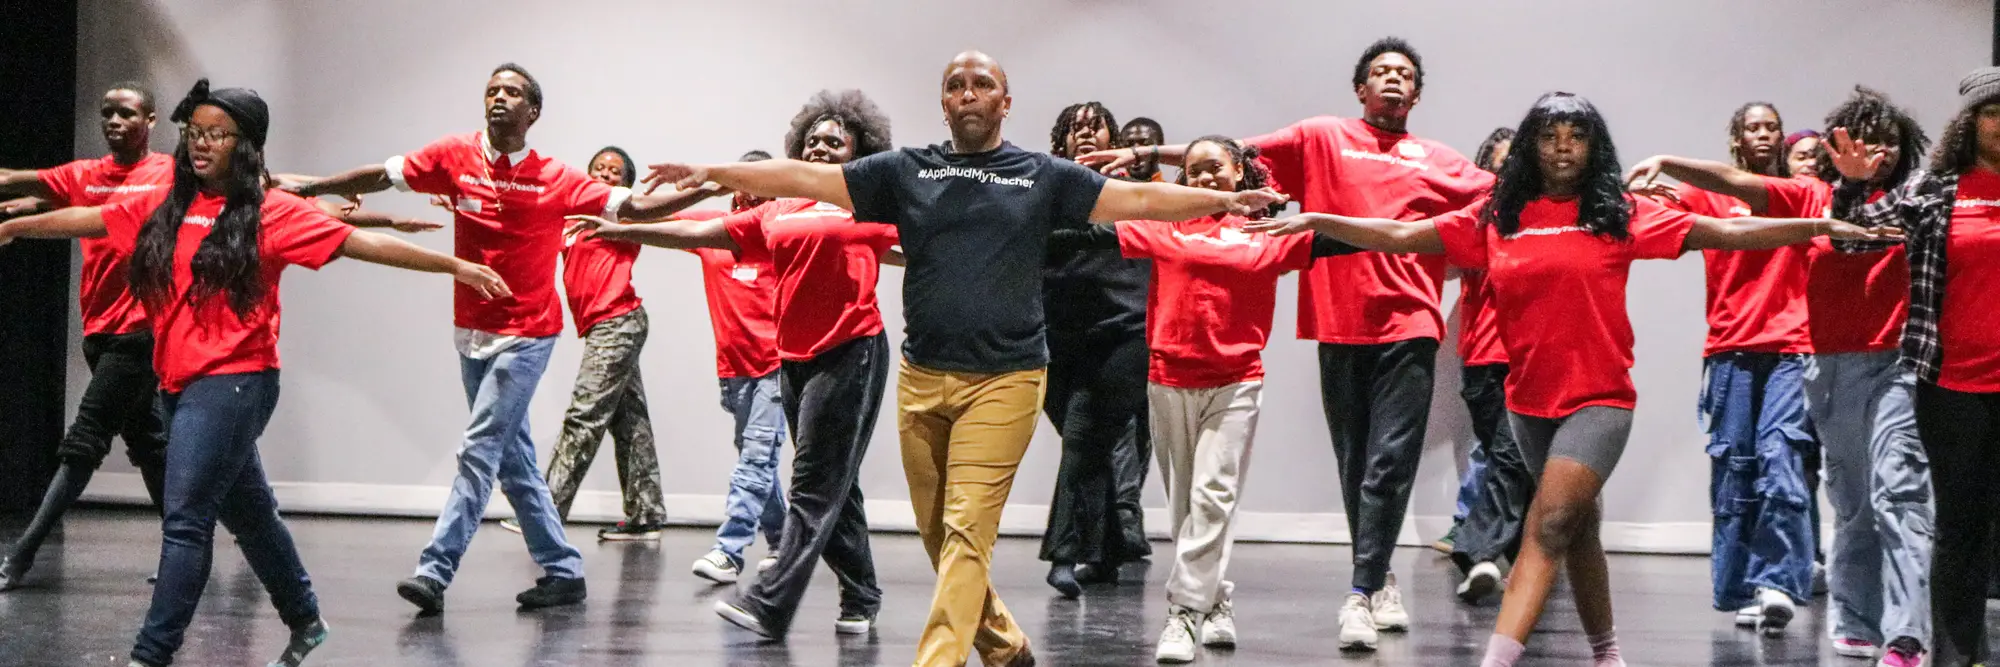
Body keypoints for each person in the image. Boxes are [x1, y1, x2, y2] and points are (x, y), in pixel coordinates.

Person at [641, 50, 1285, 667]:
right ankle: (1004, 646)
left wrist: (1222, 201)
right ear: (943, 104)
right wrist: (715, 171)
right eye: (956, 85)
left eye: (981, 84)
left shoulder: (1042, 174)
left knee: (966, 533)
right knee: (935, 535)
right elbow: (807, 179)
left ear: (1006, 101)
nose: (968, 93)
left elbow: (1138, 200)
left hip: (1006, 380)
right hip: (924, 380)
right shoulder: (905, 170)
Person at [1247, 91, 1896, 667]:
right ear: (1531, 146)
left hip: (1602, 399)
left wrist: (1816, 224)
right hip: (1528, 402)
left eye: (1576, 135)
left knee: (1549, 522)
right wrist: (1316, 219)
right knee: (1580, 527)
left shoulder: (1619, 214)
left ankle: (1499, 653)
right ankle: (1607, 651)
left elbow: (1724, 227)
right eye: (1550, 136)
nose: (1563, 147)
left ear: (1594, 146)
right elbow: (1398, 232)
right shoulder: (1495, 220)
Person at [0, 79, 512, 667]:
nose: (201, 144)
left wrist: (455, 266)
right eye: (195, 133)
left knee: (187, 518)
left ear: (245, 145)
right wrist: (14, 228)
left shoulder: (270, 212)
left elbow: (357, 241)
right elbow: (90, 219)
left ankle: (152, 653)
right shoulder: (164, 206)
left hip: (236, 382)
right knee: (251, 514)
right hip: (178, 382)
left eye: (217, 135)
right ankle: (306, 620)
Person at [1081, 36, 1493, 649]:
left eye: (1404, 74)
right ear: (1360, 88)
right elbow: (1228, 151)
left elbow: (1494, 205)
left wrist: (1449, 259)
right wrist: (1144, 153)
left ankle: (1352, 592)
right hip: (1334, 325)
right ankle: (1367, 580)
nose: (1391, 80)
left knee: (1383, 466)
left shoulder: (1439, 160)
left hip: (1408, 325)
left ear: (1418, 92)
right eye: (1379, 71)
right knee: (1353, 468)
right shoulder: (1324, 137)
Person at [279, 63, 716, 613]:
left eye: (512, 92)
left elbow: (635, 207)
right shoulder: (453, 157)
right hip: (470, 330)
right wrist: (314, 186)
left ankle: (434, 572)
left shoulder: (557, 178)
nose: (499, 98)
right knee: (514, 460)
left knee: (479, 448)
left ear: (533, 113)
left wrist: (706, 184)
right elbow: (383, 175)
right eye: (491, 90)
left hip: (528, 333)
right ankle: (563, 569)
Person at [1625, 85, 1935, 665]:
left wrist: (1866, 187)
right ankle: (1858, 620)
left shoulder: (1916, 197)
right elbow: (1737, 182)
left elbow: (1902, 224)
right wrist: (1669, 161)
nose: (1879, 153)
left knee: (1900, 493)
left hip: (1896, 364)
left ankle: (1908, 631)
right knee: (1853, 500)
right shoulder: (1812, 195)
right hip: (1827, 364)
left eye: (1890, 143)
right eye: (1867, 142)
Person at [574, 90, 898, 639]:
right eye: (812, 138)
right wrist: (624, 229)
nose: (820, 146)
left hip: (851, 350)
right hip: (793, 358)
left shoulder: (867, 204)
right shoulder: (779, 208)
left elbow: (921, 247)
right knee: (837, 485)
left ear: (857, 152)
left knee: (813, 486)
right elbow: (699, 232)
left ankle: (770, 604)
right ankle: (862, 593)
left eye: (834, 140)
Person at [1047, 135, 1355, 663]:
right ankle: (1215, 602)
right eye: (1195, 172)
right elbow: (1084, 236)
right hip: (1168, 379)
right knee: (1187, 506)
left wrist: (1308, 215)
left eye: (1216, 168)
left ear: (1239, 172)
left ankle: (1183, 612)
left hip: (1236, 381)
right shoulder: (1166, 226)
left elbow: (1345, 235)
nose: (1206, 179)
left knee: (1214, 494)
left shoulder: (1267, 230)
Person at [1826, 68, 2000, 667]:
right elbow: (1855, 238)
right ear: (1972, 122)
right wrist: (1850, 189)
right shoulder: (1939, 187)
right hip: (1952, 382)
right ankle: (1959, 654)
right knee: (1961, 525)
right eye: (1992, 113)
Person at [1632, 101, 1818, 635]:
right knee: (1735, 469)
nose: (1763, 134)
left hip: (1790, 346)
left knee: (1781, 458)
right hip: (1730, 348)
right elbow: (1653, 204)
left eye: (1772, 127)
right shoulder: (1708, 196)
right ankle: (1740, 586)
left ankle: (1777, 582)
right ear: (1736, 137)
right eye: (1752, 127)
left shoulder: (1797, 194)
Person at [0, 83, 173, 591]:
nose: (114, 121)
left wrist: (317, 192)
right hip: (97, 332)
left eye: (126, 112)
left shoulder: (167, 172)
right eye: (107, 113)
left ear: (151, 120)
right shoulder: (85, 175)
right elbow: (11, 179)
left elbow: (254, 183)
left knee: (84, 443)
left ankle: (20, 557)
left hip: (140, 332)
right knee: (151, 445)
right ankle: (189, 551)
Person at [494, 145, 674, 541]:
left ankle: (545, 510)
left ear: (625, 184)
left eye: (615, 172)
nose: (605, 175)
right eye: (599, 168)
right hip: (603, 326)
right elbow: (522, 221)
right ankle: (646, 515)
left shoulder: (620, 212)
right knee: (630, 422)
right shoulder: (569, 219)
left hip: (618, 323)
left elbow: (662, 211)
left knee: (584, 416)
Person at [1039, 101, 1152, 598]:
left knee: (1083, 441)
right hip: (1054, 339)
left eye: (1095, 127)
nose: (1084, 135)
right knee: (1093, 450)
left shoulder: (1130, 190)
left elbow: (1125, 234)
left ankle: (1063, 554)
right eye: (1073, 129)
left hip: (1121, 336)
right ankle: (1110, 551)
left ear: (1114, 139)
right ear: (1059, 141)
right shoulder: (1044, 188)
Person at [673, 149, 788, 584]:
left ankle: (729, 550)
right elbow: (649, 225)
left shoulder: (782, 232)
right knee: (756, 459)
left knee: (757, 458)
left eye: (762, 182)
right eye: (745, 180)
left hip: (777, 368)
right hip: (734, 370)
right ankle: (784, 542)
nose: (752, 190)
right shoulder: (712, 231)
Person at [1445, 127, 1532, 605]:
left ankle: (1476, 549)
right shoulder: (1476, 219)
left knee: (1510, 455)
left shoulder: (1548, 218)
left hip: (1533, 357)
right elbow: (1440, 262)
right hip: (1481, 357)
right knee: (1508, 458)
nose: (1507, 172)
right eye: (1497, 164)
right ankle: (1523, 562)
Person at [1120, 117, 1166, 182]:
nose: (1136, 152)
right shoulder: (1106, 188)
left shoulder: (1175, 191)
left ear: (1162, 147)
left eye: (1146, 145)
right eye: (1128, 145)